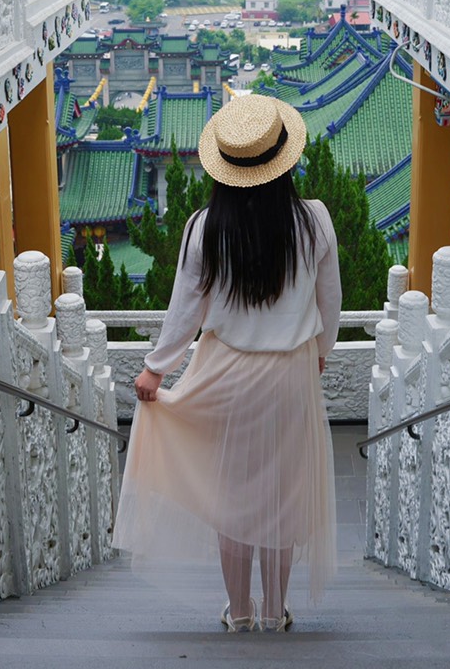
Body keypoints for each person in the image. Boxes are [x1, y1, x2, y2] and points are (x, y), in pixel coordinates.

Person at [113, 95, 341, 633]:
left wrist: (155, 368)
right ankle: (274, 611)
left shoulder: (204, 227)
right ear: (283, 160)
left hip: (225, 376)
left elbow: (185, 309)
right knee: (283, 500)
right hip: (290, 377)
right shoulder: (315, 222)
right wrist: (321, 352)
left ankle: (239, 613)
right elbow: (329, 303)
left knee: (233, 497)